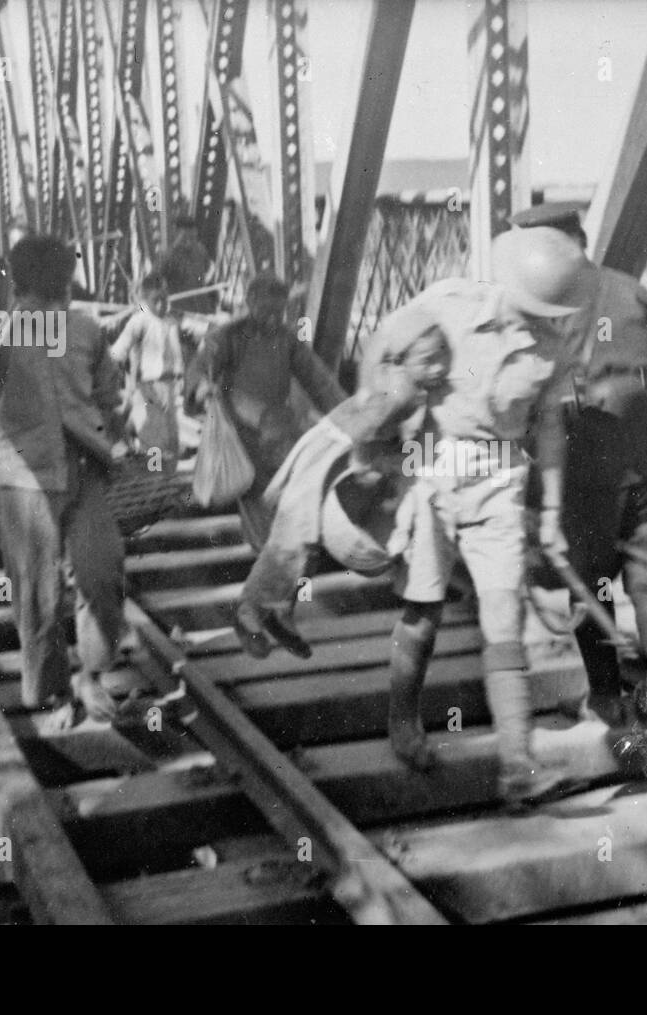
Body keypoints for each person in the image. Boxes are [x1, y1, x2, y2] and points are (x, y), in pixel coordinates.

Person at [370, 227, 596, 807]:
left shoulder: (555, 346)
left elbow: (549, 426)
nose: (537, 325)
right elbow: (381, 351)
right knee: (423, 611)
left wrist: (548, 511)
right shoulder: (446, 307)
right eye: (530, 312)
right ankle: (402, 721)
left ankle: (518, 769)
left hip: (500, 483)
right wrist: (378, 437)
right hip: (435, 476)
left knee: (504, 616)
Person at [509, 203, 647, 777]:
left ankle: (609, 702)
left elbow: (528, 400)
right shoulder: (632, 290)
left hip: (589, 446)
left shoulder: (541, 299)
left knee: (590, 582)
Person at [0, 235, 127, 729]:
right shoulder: (2, 332)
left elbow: (109, 394)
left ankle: (92, 672)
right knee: (37, 594)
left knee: (102, 572)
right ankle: (51, 695)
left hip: (83, 470)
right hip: (26, 480)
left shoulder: (86, 330)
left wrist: (113, 437)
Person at [232, 305, 451, 659]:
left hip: (342, 449)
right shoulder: (400, 392)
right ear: (402, 360)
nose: (439, 367)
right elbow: (365, 434)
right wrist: (364, 469)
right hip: (332, 453)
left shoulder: (413, 382)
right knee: (294, 534)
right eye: (428, 361)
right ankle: (249, 613)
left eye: (442, 356)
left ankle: (281, 614)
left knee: (311, 543)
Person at [187, 273, 344, 542]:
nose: (273, 319)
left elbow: (318, 380)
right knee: (255, 489)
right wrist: (202, 387)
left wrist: (345, 411)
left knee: (284, 483)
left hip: (276, 426)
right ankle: (267, 548)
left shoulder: (288, 340)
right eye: (266, 311)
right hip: (240, 429)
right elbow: (202, 365)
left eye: (279, 312)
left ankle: (277, 542)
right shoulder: (228, 336)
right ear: (249, 303)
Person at [110, 271, 208, 475]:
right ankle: (152, 479)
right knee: (154, 438)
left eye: (165, 299)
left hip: (171, 387)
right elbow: (118, 350)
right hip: (150, 387)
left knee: (171, 437)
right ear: (144, 301)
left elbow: (200, 327)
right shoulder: (140, 321)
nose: (162, 305)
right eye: (156, 301)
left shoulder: (171, 320)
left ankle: (166, 477)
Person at [159, 214, 215, 317]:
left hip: (202, 309)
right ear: (176, 235)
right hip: (181, 313)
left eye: (192, 238)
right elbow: (156, 278)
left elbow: (210, 268)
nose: (189, 243)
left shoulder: (200, 250)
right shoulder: (169, 256)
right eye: (184, 239)